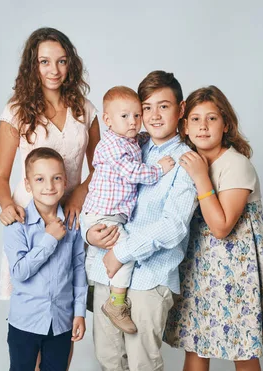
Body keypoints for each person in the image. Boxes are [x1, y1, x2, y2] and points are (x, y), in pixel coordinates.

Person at [0, 26, 99, 370]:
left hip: (71, 219)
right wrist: (8, 205)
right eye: (44, 62)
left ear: (71, 65)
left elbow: (102, 168)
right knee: (32, 318)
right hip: (31, 219)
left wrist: (78, 193)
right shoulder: (16, 111)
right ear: (32, 66)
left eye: (61, 61)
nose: (54, 70)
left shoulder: (84, 108)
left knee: (61, 321)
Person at [164, 85, 263, 371]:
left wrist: (200, 177)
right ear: (184, 126)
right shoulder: (187, 160)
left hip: (237, 273)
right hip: (199, 268)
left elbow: (221, 227)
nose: (203, 126)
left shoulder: (235, 164)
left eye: (211, 118)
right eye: (195, 119)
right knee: (195, 343)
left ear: (226, 124)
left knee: (242, 348)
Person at [85, 70, 198, 371]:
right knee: (108, 359)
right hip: (105, 271)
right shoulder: (130, 144)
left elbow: (174, 226)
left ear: (181, 109)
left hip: (150, 275)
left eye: (163, 106)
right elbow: (98, 192)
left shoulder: (185, 161)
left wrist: (120, 252)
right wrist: (88, 233)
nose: (153, 116)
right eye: (146, 107)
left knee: (141, 364)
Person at [79, 86, 175, 334]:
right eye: (125, 117)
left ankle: (104, 289)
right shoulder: (111, 146)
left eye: (136, 115)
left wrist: (143, 136)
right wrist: (160, 169)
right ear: (108, 120)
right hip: (103, 214)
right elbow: (133, 172)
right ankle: (116, 304)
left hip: (109, 214)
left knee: (117, 250)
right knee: (124, 254)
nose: (133, 122)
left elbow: (139, 139)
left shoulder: (128, 139)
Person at [4, 147, 87, 371]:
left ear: (65, 181)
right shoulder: (17, 224)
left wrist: (79, 312)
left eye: (56, 178)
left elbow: (79, 269)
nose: (49, 186)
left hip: (61, 322)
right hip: (25, 322)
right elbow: (20, 272)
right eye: (40, 179)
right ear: (28, 184)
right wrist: (49, 239)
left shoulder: (73, 222)